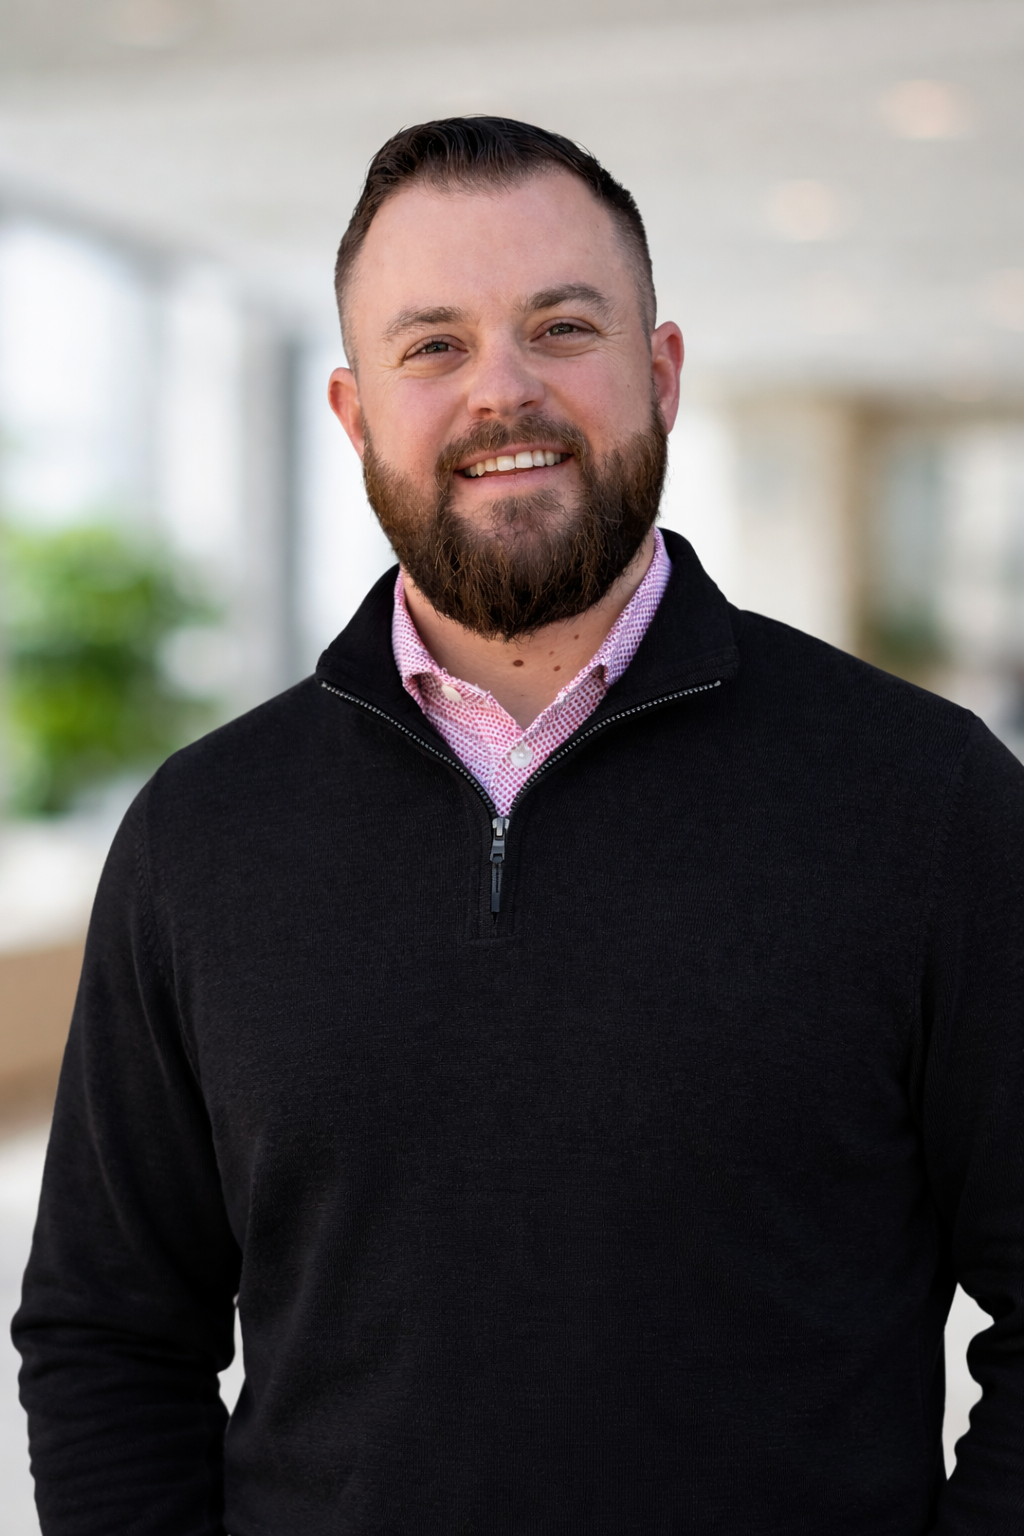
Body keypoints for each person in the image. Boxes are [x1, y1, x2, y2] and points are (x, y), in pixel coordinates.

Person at [12, 117, 1023, 1535]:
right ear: (355, 416)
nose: (504, 391)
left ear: (659, 376)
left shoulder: (927, 798)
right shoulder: (201, 834)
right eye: (432, 346)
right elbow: (108, 1337)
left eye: (561, 326)